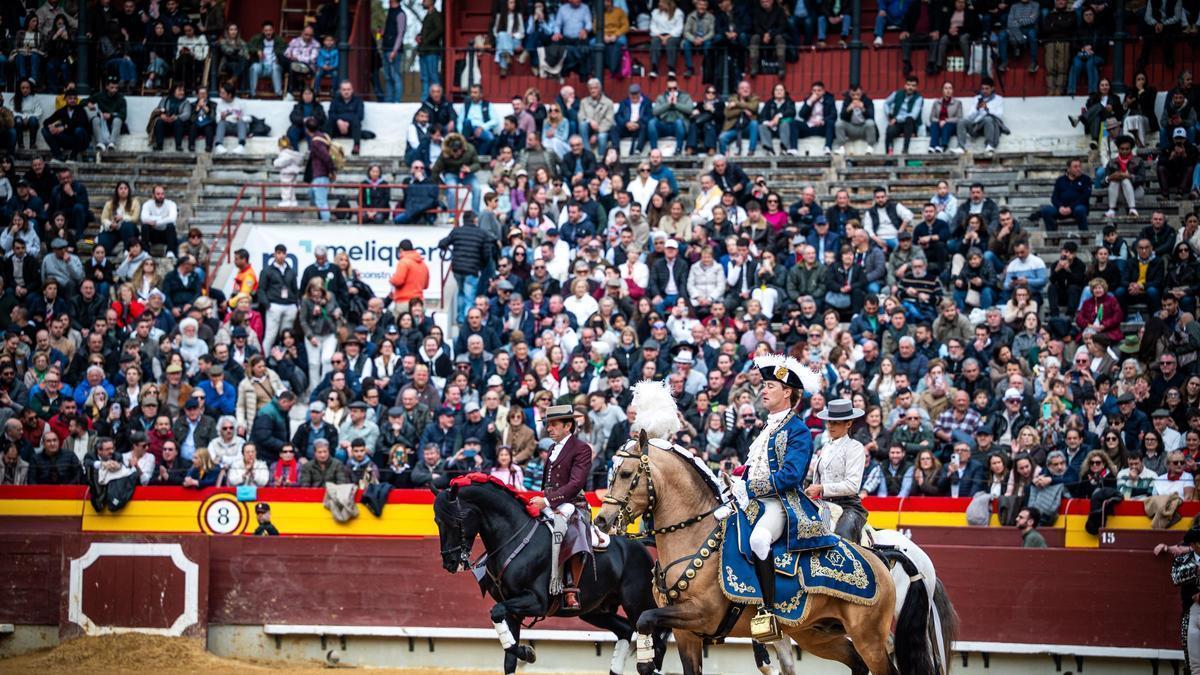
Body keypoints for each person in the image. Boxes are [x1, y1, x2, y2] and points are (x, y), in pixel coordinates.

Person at [730, 353, 835, 642]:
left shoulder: (798, 430)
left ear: (787, 392)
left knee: (759, 540)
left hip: (782, 503)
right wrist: (737, 476)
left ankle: (767, 611)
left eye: (770, 386)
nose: (763, 390)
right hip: (755, 500)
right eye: (763, 385)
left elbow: (789, 477)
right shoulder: (769, 426)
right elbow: (757, 464)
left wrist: (750, 487)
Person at [528, 404, 592, 611]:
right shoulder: (552, 447)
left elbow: (576, 484)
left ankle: (571, 588)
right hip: (551, 500)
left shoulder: (581, 448)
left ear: (568, 425)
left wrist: (547, 501)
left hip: (573, 502)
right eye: (548, 424)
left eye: (553, 424)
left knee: (573, 532)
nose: (549, 428)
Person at [808, 399, 867, 541]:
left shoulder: (855, 447)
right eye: (829, 422)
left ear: (849, 423)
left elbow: (852, 485)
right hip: (822, 503)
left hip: (848, 505)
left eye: (836, 422)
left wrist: (822, 488)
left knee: (843, 538)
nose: (830, 426)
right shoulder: (826, 447)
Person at [956, 78, 1007, 155]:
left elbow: (1000, 115)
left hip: (989, 128)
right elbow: (969, 117)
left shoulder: (998, 99)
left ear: (992, 88)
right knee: (962, 121)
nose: (984, 91)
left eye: (987, 89)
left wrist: (987, 109)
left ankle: (989, 145)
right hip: (976, 126)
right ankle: (960, 147)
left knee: (988, 119)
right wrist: (977, 108)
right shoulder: (977, 99)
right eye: (983, 88)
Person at [326, 80, 366, 156]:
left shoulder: (358, 101)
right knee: (329, 122)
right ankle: (327, 146)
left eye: (348, 89)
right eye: (344, 89)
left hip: (352, 130)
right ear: (340, 90)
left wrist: (347, 122)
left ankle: (356, 146)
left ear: (352, 90)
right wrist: (339, 121)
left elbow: (360, 116)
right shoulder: (335, 101)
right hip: (337, 130)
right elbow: (331, 114)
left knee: (356, 121)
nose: (346, 92)